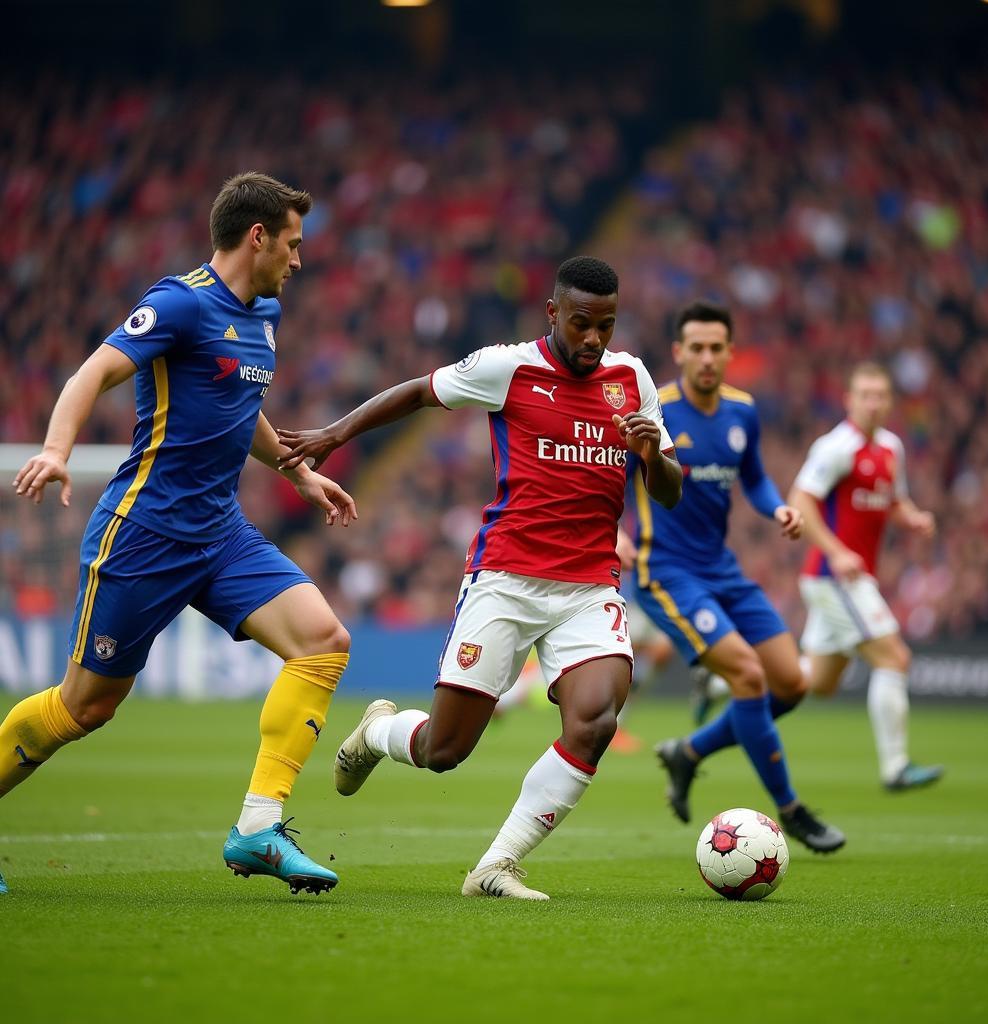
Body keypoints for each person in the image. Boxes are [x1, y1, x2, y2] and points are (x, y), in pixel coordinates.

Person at [277, 256, 682, 900]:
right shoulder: (508, 367)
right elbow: (417, 391)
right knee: (444, 751)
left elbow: (669, 491)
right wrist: (336, 432)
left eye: (605, 325)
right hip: (505, 579)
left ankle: (495, 866)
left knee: (595, 721)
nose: (593, 339)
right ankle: (379, 731)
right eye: (581, 323)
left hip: (588, 589)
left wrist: (652, 455)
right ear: (553, 313)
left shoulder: (632, 380)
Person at [3, 172, 356, 896]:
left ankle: (258, 828)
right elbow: (91, 373)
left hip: (220, 533)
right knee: (84, 707)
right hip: (144, 533)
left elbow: (239, 401)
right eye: (292, 244)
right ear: (256, 236)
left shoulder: (264, 314)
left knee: (323, 642)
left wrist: (297, 474)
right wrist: (55, 450)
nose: (299, 259)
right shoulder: (179, 303)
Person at [626, 300, 845, 853]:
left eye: (715, 348)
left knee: (792, 684)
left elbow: (756, 478)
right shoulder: (655, 412)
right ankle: (791, 810)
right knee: (748, 677)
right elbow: (609, 481)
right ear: (678, 353)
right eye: (694, 348)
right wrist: (614, 537)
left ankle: (689, 751)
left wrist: (777, 510)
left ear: (729, 353)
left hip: (723, 568)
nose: (705, 358)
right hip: (667, 572)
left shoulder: (743, 412)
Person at [788, 362, 943, 791]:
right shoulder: (836, 447)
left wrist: (912, 518)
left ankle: (725, 680)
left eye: (880, 395)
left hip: (848, 577)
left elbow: (894, 500)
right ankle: (896, 768)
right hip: (833, 576)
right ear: (849, 400)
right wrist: (837, 552)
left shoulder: (892, 447)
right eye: (865, 395)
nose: (873, 403)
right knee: (895, 658)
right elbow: (800, 499)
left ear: (890, 401)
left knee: (816, 683)